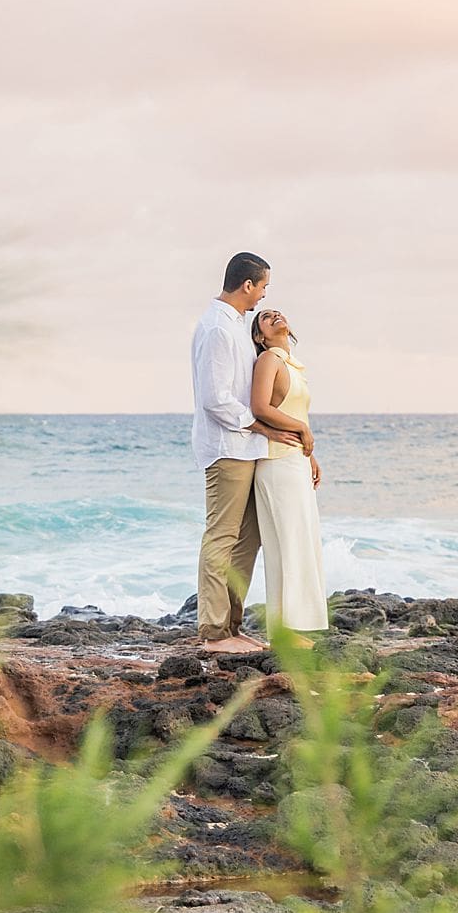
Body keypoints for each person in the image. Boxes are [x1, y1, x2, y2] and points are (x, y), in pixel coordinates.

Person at [190, 253, 302, 651]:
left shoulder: (237, 327)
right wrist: (259, 424)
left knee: (247, 539)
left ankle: (232, 627)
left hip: (248, 447)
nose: (265, 294)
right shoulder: (217, 327)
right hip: (227, 448)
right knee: (221, 536)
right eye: (264, 287)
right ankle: (214, 632)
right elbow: (214, 399)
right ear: (248, 285)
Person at [250, 307, 329, 635]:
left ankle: (297, 627)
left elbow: (294, 411)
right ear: (260, 336)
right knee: (289, 545)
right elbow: (260, 407)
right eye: (266, 317)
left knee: (302, 541)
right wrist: (301, 430)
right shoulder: (269, 360)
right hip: (277, 463)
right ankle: (292, 631)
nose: (274, 316)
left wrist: (309, 453)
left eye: (277, 313)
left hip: (295, 460)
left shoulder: (292, 364)